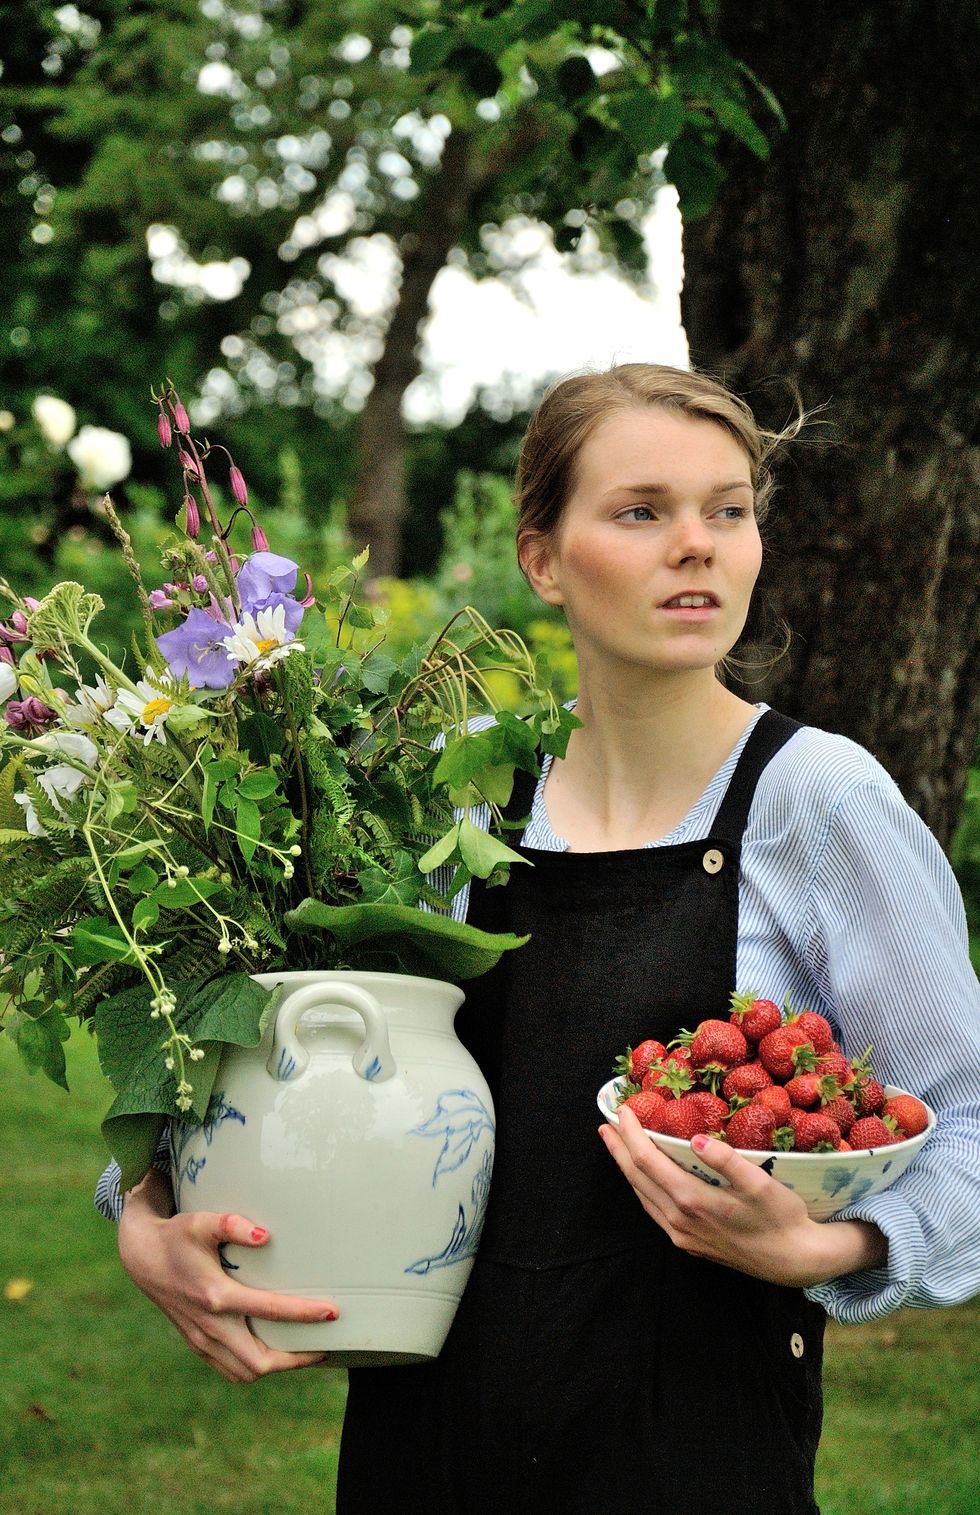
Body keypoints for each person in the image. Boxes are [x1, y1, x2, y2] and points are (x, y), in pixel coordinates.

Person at [99, 364, 980, 1514]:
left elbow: (966, 1121)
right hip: (425, 1446)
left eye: (728, 509)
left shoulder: (816, 803)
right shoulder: (448, 793)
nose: (697, 545)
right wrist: (144, 1212)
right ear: (541, 560)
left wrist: (830, 1250)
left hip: (698, 1451)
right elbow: (263, 1050)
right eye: (639, 511)